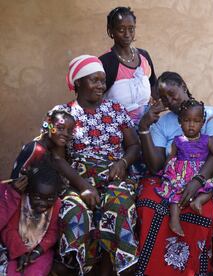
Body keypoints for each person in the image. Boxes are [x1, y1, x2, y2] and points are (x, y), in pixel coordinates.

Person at [53, 55, 140, 275]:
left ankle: (115, 269)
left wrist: (123, 162)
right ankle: (77, 268)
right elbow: (56, 157)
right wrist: (82, 186)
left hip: (114, 176)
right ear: (78, 82)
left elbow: (134, 146)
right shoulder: (61, 114)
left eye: (103, 80)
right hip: (76, 179)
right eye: (95, 80)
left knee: (118, 207)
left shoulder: (116, 109)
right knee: (74, 212)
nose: (101, 86)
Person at [136, 71, 213, 274]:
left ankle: (192, 270)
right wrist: (144, 127)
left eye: (172, 94)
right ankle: (153, 270)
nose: (169, 101)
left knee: (200, 210)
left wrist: (197, 181)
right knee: (149, 204)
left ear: (184, 86)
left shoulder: (210, 114)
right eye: (163, 98)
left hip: (202, 176)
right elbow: (156, 165)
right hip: (172, 176)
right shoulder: (162, 122)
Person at [155, 99, 213, 237]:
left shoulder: (207, 140)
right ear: (180, 122)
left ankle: (198, 201)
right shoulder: (178, 141)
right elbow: (172, 158)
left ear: (202, 122)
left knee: (211, 186)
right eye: (187, 121)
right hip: (181, 174)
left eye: (196, 121)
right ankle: (174, 220)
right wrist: (166, 171)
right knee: (175, 192)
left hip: (200, 173)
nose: (191, 125)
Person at [0, 159, 62, 276]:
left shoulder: (56, 204)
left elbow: (52, 233)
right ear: (28, 192)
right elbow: (10, 230)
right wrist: (20, 252)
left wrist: (37, 252)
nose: (43, 203)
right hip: (15, 249)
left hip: (41, 252)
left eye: (49, 199)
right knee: (12, 272)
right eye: (38, 198)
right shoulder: (20, 201)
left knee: (35, 272)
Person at [99, 6, 157, 128]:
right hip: (117, 131)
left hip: (148, 127)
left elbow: (154, 86)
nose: (127, 34)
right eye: (121, 29)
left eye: (131, 29)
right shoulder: (105, 62)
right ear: (110, 31)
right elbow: (95, 100)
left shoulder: (143, 56)